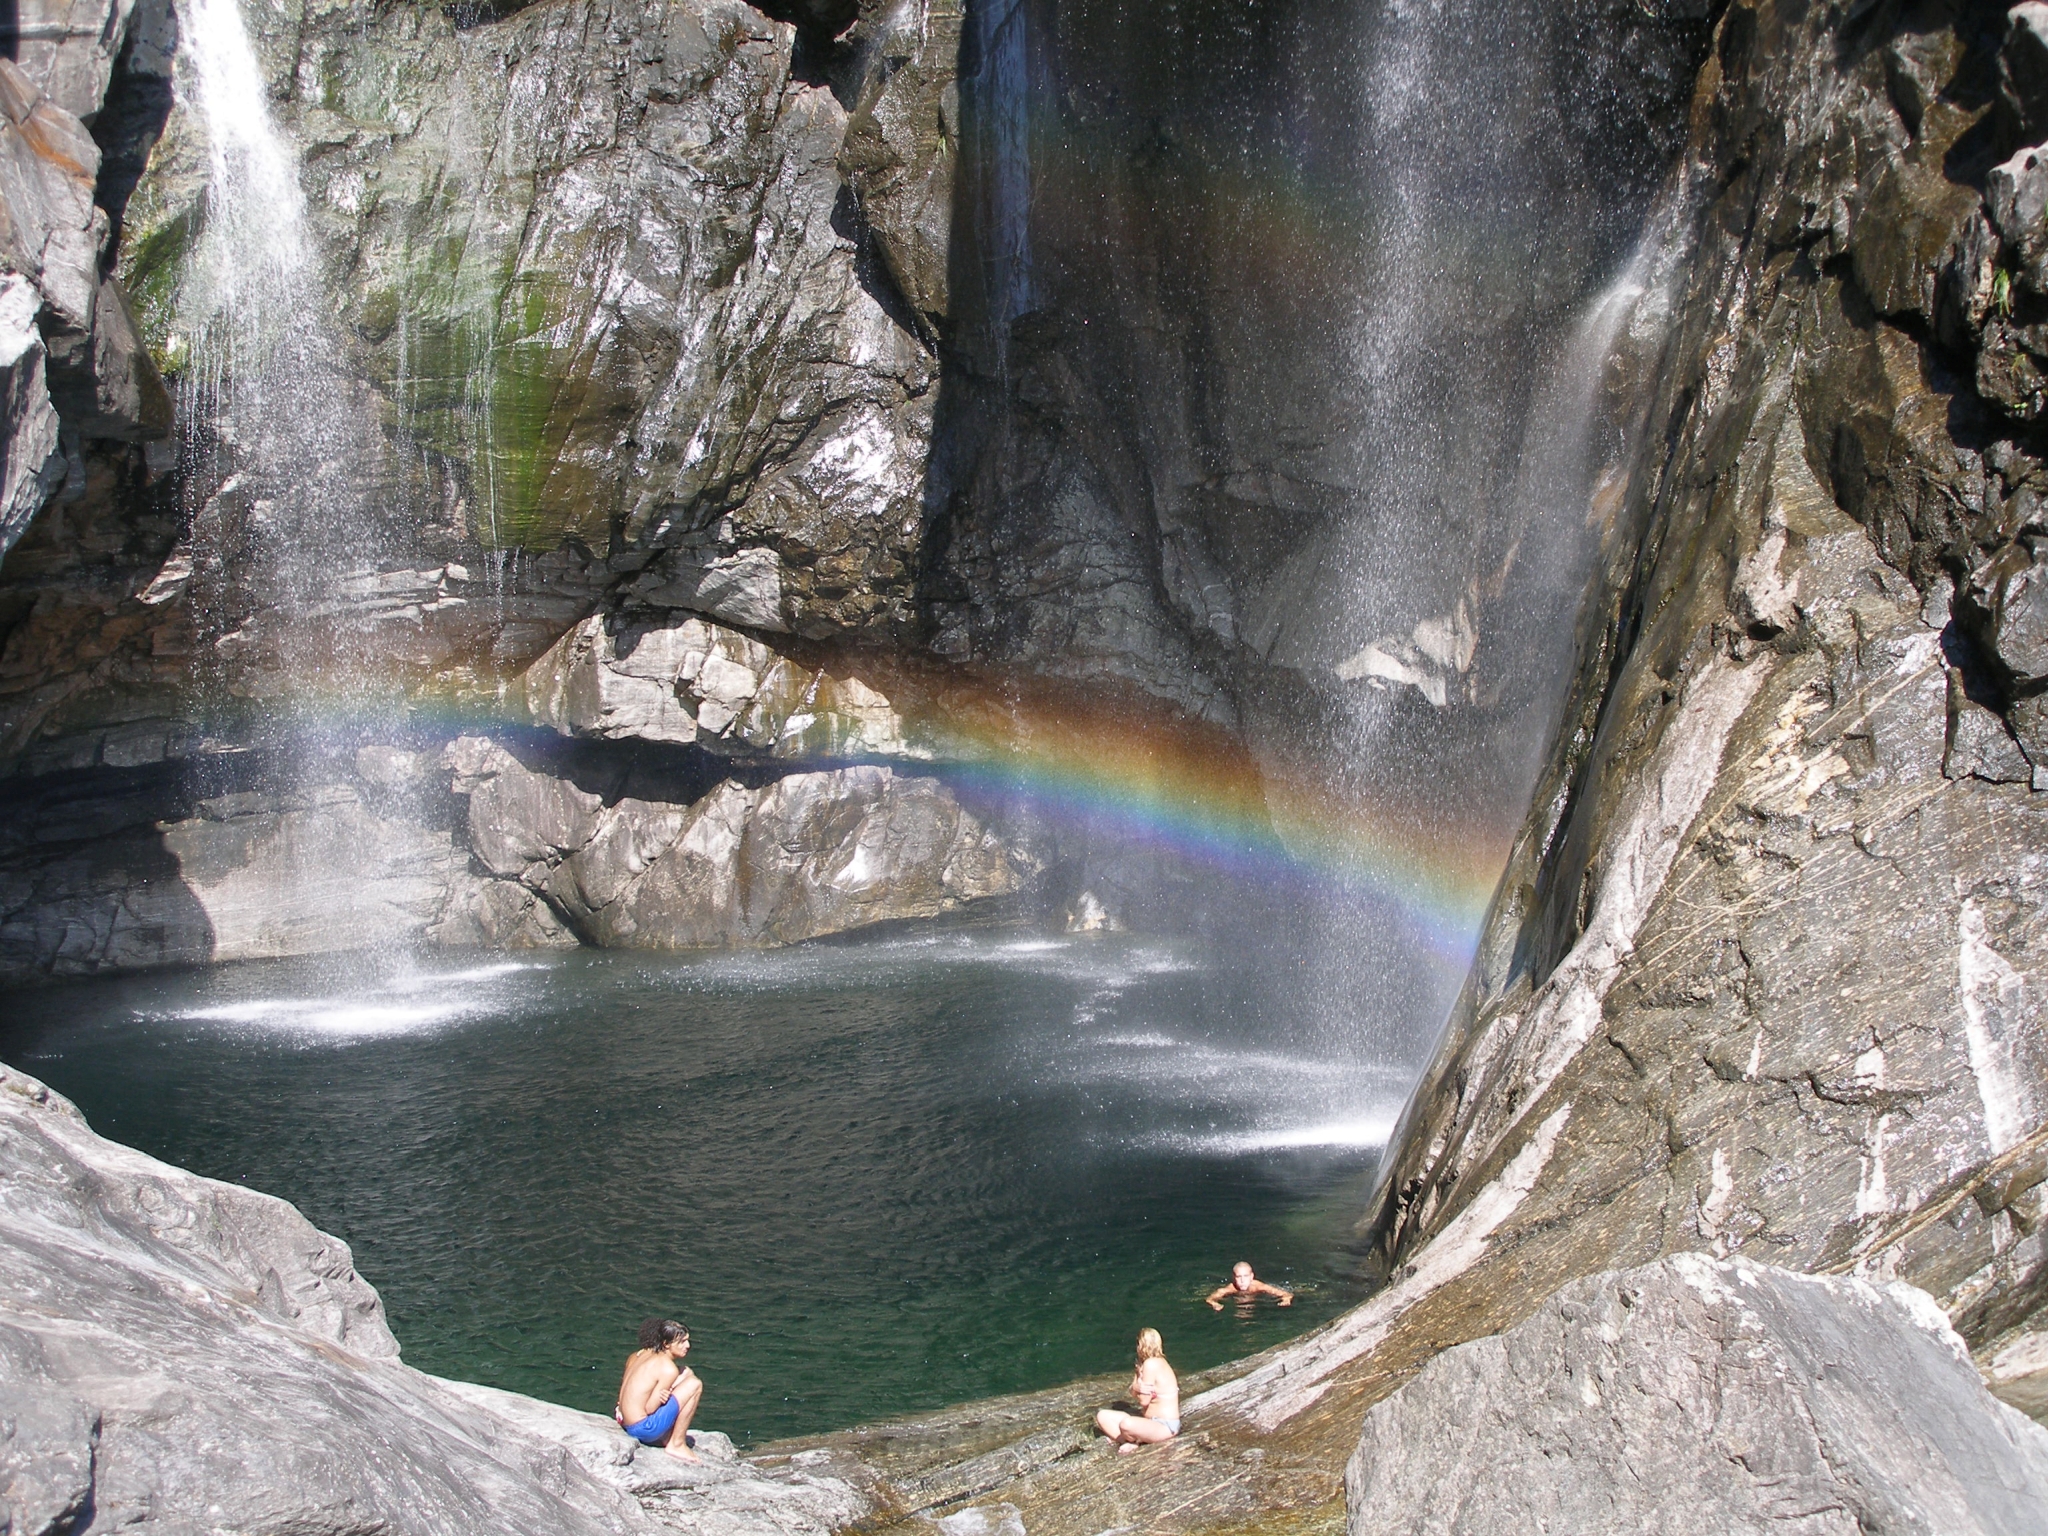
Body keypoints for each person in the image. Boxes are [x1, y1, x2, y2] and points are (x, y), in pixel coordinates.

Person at [614, 1318, 702, 1459]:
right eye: (681, 1342)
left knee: (686, 1373)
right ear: (666, 1344)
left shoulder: (639, 1354)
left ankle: (668, 1436)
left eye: (687, 1340)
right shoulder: (667, 1368)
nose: (687, 1345)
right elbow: (649, 1409)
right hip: (644, 1429)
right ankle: (677, 1444)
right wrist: (662, 1399)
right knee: (695, 1384)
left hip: (624, 1419)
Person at [1094, 1327, 1180, 1453]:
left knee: (1126, 1424)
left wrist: (1137, 1388)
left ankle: (1133, 1442)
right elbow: (1133, 1391)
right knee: (1103, 1416)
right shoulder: (1143, 1364)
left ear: (1141, 1345)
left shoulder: (1151, 1364)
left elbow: (1144, 1401)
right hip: (1149, 1422)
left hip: (1165, 1426)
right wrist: (1136, 1384)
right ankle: (1131, 1440)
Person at [1206, 1261, 1293, 1310]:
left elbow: (1286, 1293)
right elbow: (1210, 1299)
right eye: (1239, 1277)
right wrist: (1215, 1304)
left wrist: (1286, 1299)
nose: (1243, 1281)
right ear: (1234, 1278)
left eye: (1246, 1276)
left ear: (1252, 1276)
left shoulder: (1258, 1286)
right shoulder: (1230, 1289)